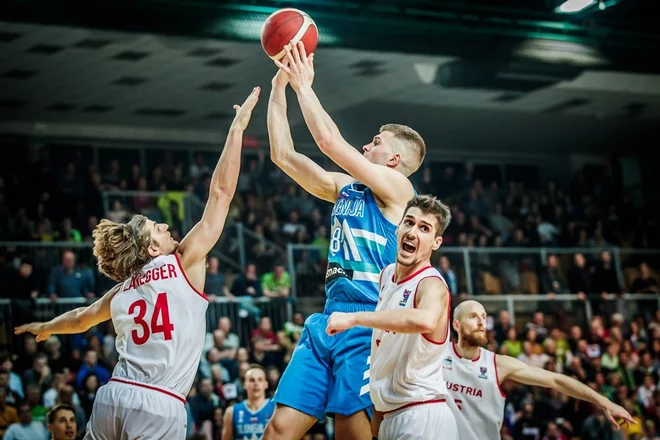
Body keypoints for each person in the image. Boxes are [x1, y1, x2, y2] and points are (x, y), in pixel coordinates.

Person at [14, 87, 261, 439]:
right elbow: (220, 194)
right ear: (151, 249)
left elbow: (81, 319)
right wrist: (237, 129)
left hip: (112, 397)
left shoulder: (120, 292)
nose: (164, 225)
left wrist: (47, 326)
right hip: (159, 403)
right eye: (156, 227)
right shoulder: (182, 262)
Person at [264, 41, 426, 440]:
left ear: (393, 161)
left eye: (376, 141)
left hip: (367, 320)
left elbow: (329, 143)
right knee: (278, 430)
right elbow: (282, 154)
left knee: (349, 432)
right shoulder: (346, 188)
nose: (367, 144)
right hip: (328, 316)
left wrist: (305, 86)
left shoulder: (399, 189)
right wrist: (279, 86)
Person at [326, 195, 456, 440]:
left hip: (423, 417)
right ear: (398, 227)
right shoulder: (386, 276)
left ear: (436, 242)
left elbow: (425, 320)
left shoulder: (431, 285)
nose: (412, 231)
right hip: (389, 418)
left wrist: (354, 319)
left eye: (424, 228)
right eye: (409, 222)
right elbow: (382, 361)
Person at [444, 300, 636, 440]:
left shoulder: (497, 364)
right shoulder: (436, 356)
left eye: (484, 317)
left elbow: (556, 381)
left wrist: (603, 401)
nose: (481, 322)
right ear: (456, 324)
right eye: (473, 316)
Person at [222, 364, 276, 440]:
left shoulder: (276, 409)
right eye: (252, 380)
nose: (256, 384)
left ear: (266, 384)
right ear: (245, 384)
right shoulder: (231, 411)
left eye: (260, 379)